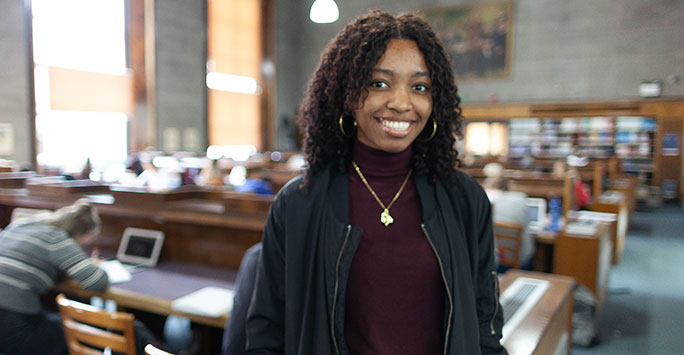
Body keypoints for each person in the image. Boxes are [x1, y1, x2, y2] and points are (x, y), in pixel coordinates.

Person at [245, 10, 506, 354]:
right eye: (378, 83)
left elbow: (485, 325)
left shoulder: (465, 200)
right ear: (347, 94)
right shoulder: (299, 203)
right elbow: (266, 332)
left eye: (419, 87)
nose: (401, 103)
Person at [0, 199, 108, 355]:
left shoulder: (21, 225)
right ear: (80, 236)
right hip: (14, 326)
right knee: (91, 332)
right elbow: (97, 282)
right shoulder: (57, 238)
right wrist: (95, 265)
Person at [482, 163, 535, 271]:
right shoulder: (520, 199)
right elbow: (528, 225)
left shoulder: (483, 201)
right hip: (521, 260)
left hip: (493, 261)